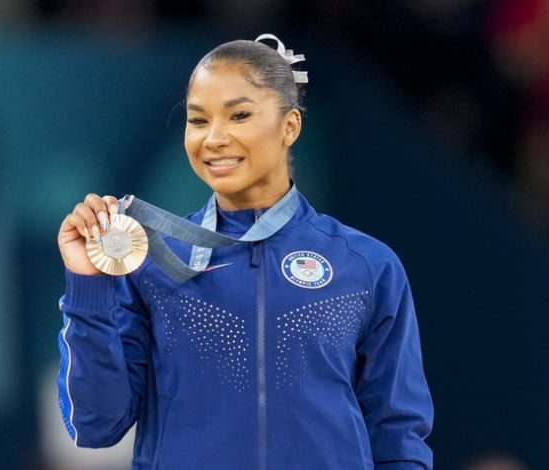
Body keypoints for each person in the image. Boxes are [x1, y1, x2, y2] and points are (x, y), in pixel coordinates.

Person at [56, 34, 433, 469]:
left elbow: (398, 435)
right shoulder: (152, 262)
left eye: (239, 115)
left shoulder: (366, 266)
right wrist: (88, 286)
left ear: (290, 126)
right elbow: (94, 424)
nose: (214, 138)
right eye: (198, 121)